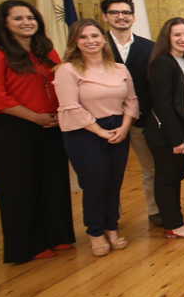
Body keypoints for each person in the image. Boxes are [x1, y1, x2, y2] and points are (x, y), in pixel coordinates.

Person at [0, 0, 75, 263]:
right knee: (19, 190)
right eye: (17, 18)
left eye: (30, 17)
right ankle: (29, 245)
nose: (26, 22)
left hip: (50, 127)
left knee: (53, 183)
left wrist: (58, 115)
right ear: (4, 23)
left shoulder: (46, 52)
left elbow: (62, 84)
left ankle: (57, 236)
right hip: (11, 130)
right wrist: (35, 117)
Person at [53, 18, 139, 257]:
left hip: (118, 129)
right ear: (75, 42)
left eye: (94, 36)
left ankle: (112, 227)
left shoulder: (119, 68)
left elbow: (131, 100)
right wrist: (100, 131)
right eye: (83, 37)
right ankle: (95, 231)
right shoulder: (67, 70)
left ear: (103, 39)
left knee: (114, 182)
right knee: (95, 183)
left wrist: (124, 127)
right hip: (84, 133)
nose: (90, 41)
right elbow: (70, 106)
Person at [145, 17, 184, 239]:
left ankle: (176, 217)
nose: (183, 39)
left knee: (177, 175)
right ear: (167, 37)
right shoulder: (161, 63)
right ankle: (172, 224)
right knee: (167, 177)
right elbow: (162, 105)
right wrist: (175, 138)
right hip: (166, 130)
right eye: (177, 34)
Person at [101, 0, 158, 226]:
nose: (121, 17)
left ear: (133, 17)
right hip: (106, 121)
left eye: (126, 12)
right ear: (105, 17)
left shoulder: (149, 47)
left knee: (151, 169)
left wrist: (135, 114)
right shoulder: (95, 44)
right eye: (114, 12)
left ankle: (155, 210)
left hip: (140, 119)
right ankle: (110, 214)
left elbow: (154, 84)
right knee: (108, 172)